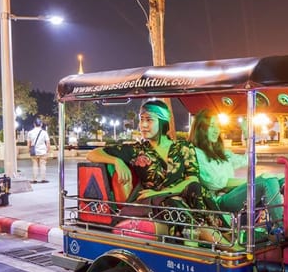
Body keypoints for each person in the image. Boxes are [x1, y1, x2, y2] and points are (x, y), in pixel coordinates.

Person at [86, 101, 231, 246]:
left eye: (149, 120)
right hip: (154, 202)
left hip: (178, 196)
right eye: (141, 120)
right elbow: (93, 154)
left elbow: (192, 179)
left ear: (162, 122)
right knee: (173, 202)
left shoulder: (183, 147)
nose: (143, 125)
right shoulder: (137, 150)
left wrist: (168, 191)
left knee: (196, 188)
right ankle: (220, 244)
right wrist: (117, 161)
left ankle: (222, 234)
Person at [189, 109, 283, 226]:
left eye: (217, 126)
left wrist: (247, 134)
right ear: (201, 129)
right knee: (267, 181)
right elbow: (216, 183)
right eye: (211, 126)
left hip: (231, 193)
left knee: (283, 179)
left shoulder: (222, 153)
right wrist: (249, 182)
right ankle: (283, 227)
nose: (216, 130)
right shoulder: (197, 153)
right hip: (219, 201)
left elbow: (250, 160)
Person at [27, 118, 50, 183]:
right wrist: (47, 150)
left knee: (35, 165)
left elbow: (29, 143)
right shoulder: (44, 132)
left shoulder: (30, 133)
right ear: (41, 124)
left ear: (34, 124)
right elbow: (48, 142)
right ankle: (43, 179)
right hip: (43, 151)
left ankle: (34, 179)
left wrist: (29, 150)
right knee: (43, 165)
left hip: (34, 151)